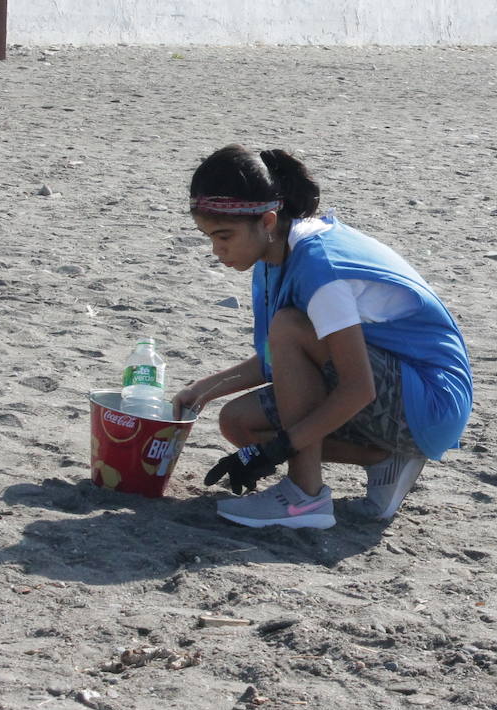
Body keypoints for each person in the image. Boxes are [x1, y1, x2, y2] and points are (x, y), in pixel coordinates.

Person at [173, 144, 473, 530]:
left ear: (266, 221)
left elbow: (357, 389)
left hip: (431, 405)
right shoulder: (273, 255)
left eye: (224, 236)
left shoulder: (319, 266)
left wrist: (280, 448)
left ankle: (304, 498)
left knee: (287, 327)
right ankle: (383, 459)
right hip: (393, 394)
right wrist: (202, 391)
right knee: (239, 424)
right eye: (209, 237)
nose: (216, 250)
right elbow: (278, 360)